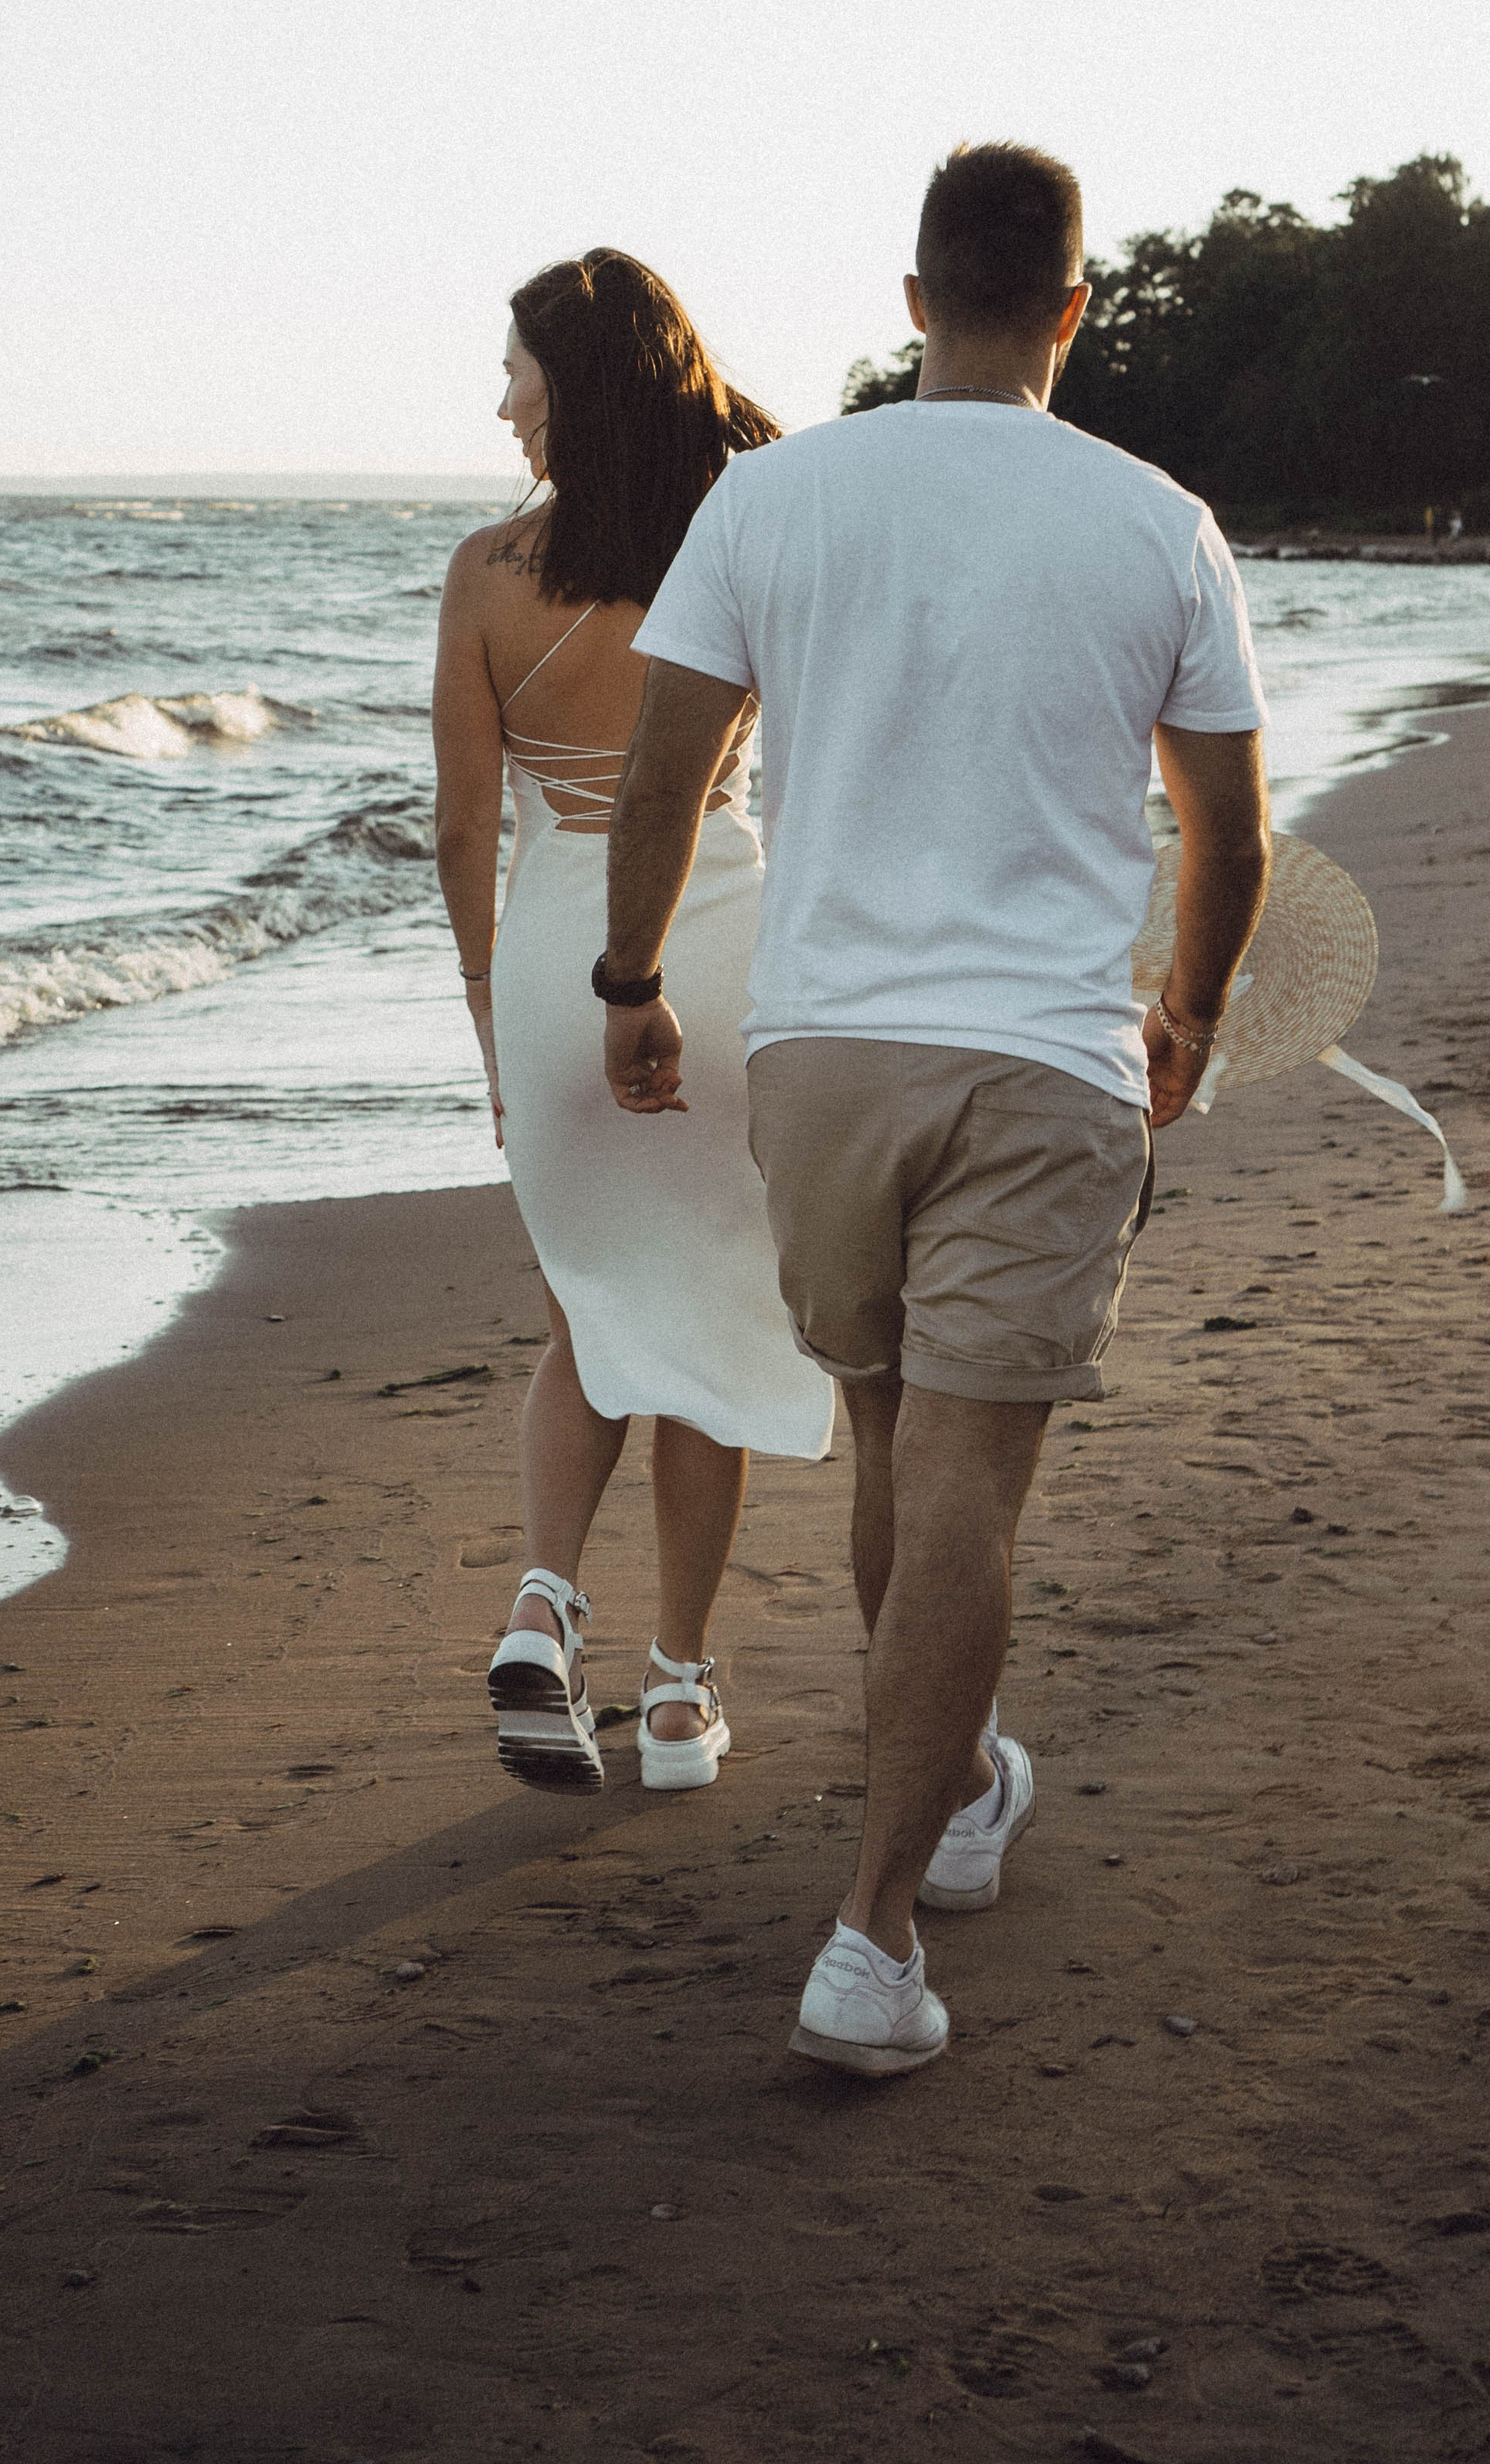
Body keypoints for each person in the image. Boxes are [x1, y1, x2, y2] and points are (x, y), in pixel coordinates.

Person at [600, 144, 1271, 2072]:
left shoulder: (774, 493)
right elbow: (1221, 823)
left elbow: (666, 772)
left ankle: (952, 1799)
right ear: (1072, 303)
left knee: (893, 1443)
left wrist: (631, 985)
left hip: (823, 1055)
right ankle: (870, 1938)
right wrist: (1190, 1014)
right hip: (1043, 1058)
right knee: (964, 1475)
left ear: (912, 301)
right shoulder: (1157, 523)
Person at [433, 251, 835, 1793]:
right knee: (711, 1323)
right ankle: (674, 1695)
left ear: (570, 383)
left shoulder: (484, 574)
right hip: (716, 946)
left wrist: (494, 1035)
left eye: (514, 370)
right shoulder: (740, 544)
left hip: (556, 965)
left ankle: (543, 1601)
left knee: (587, 1310)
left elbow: (465, 835)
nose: (499, 401)